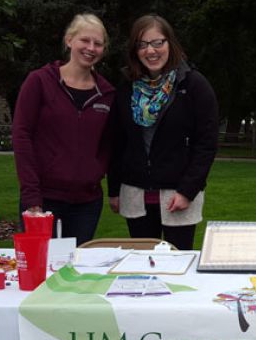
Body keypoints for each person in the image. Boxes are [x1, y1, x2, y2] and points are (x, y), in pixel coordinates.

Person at [108, 14, 219, 250]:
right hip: (135, 195)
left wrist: (188, 190)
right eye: (143, 44)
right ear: (135, 50)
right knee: (141, 267)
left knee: (176, 269)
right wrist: (114, 189)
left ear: (170, 43)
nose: (151, 51)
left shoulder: (193, 86)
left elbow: (206, 144)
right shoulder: (126, 89)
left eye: (158, 42)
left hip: (178, 196)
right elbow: (117, 143)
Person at [12, 13, 115, 245]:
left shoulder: (107, 94)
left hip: (87, 203)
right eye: (84, 40)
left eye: (98, 44)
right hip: (43, 200)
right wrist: (31, 199)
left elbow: (108, 144)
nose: (91, 48)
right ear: (69, 40)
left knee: (75, 272)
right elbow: (21, 136)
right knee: (41, 269)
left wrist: (95, 171)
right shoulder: (39, 82)